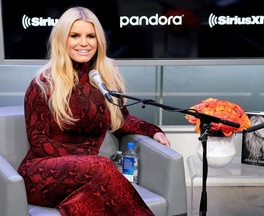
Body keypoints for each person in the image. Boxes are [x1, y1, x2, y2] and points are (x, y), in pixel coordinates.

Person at [18, 6, 170, 216]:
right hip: (41, 173)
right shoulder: (43, 84)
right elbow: (39, 141)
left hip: (88, 173)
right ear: (62, 40)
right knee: (102, 167)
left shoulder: (102, 79)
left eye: (90, 36)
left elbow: (120, 120)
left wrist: (153, 130)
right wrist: (87, 163)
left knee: (90, 198)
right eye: (75, 36)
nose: (84, 43)